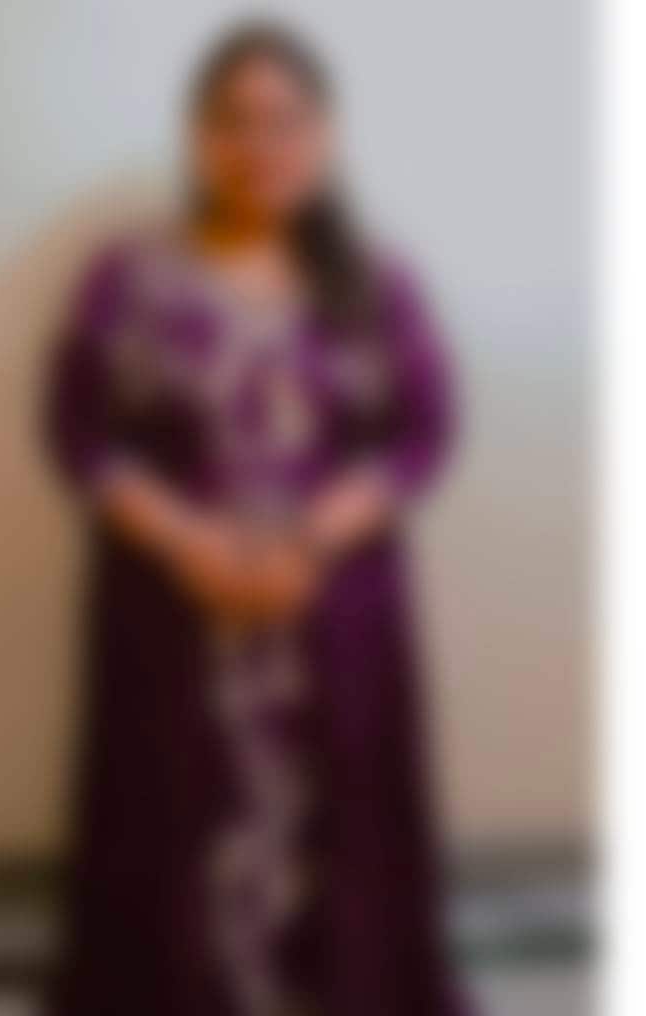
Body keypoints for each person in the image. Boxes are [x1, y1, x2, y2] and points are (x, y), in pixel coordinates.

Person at [45, 20, 467, 1016]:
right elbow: (77, 431)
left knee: (340, 830)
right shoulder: (127, 277)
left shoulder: (376, 285)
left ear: (325, 135)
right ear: (198, 136)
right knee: (169, 819)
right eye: (234, 122)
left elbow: (424, 433)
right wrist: (193, 544)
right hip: (170, 609)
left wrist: (307, 543)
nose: (260, 145)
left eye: (286, 121)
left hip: (336, 610)